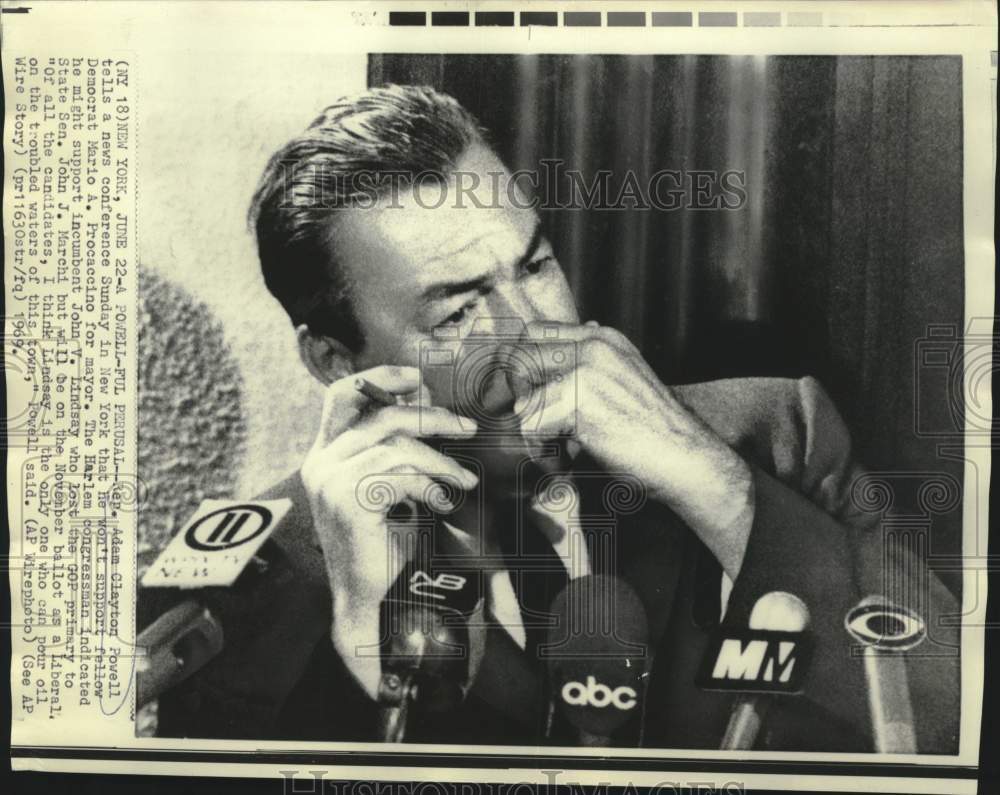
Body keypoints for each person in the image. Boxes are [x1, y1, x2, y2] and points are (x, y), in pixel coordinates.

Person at [151, 84, 959, 751]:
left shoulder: (782, 435)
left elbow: (958, 713)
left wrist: (717, 487)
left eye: (535, 266)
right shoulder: (242, 593)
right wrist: (368, 632)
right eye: (460, 310)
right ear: (334, 360)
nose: (534, 335)